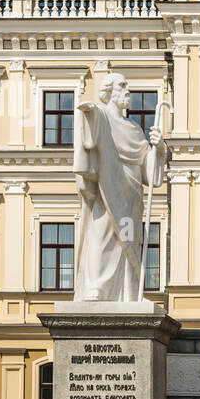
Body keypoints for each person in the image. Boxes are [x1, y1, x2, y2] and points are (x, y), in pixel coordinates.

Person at [72, 72, 166, 302]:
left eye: (127, 85)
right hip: (107, 184)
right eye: (122, 85)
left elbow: (149, 175)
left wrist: (158, 149)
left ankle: (130, 293)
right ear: (109, 91)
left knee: (129, 241)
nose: (127, 90)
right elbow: (89, 136)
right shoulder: (102, 116)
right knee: (102, 234)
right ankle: (97, 287)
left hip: (131, 194)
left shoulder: (134, 129)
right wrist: (89, 112)